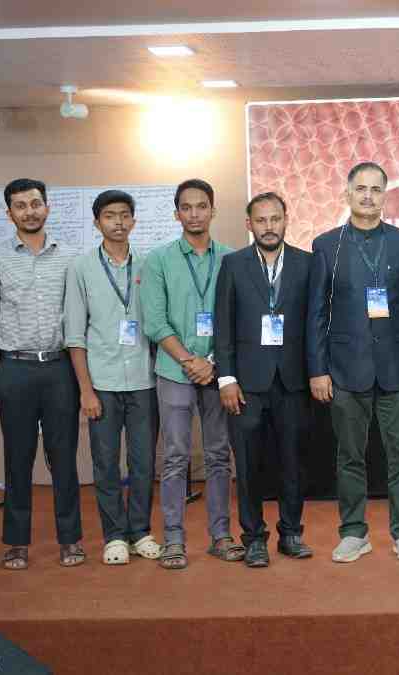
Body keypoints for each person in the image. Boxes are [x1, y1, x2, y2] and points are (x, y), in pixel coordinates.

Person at [307, 161, 399, 564]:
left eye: (376, 189)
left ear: (385, 196)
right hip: (345, 368)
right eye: (360, 188)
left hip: (397, 368)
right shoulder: (327, 245)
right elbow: (316, 314)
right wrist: (318, 369)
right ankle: (353, 532)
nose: (367, 196)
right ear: (347, 193)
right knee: (349, 457)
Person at [0, 178, 84, 571]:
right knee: (17, 459)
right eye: (20, 206)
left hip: (59, 370)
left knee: (64, 459)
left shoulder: (70, 257)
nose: (30, 211)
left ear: (47, 207)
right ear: (9, 214)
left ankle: (70, 539)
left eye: (36, 203)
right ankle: (17, 543)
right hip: (14, 369)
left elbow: (79, 318)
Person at [140, 178, 237, 570]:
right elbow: (154, 321)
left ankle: (221, 536)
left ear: (213, 210)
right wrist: (189, 361)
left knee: (218, 456)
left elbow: (236, 318)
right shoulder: (159, 260)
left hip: (218, 372)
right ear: (176, 213)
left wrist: (210, 361)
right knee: (176, 457)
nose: (194, 214)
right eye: (186, 207)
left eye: (202, 206)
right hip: (174, 372)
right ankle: (174, 540)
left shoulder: (231, 259)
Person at [215, 192, 314, 568]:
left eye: (275, 219)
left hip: (293, 381)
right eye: (261, 220)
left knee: (293, 462)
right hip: (246, 384)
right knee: (248, 464)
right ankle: (254, 538)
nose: (269, 226)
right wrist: (226, 378)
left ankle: (291, 534)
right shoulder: (233, 264)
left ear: (286, 220)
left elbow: (315, 323)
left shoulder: (307, 263)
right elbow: (223, 324)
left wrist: (316, 372)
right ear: (249, 224)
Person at [64, 190, 162, 566]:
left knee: (143, 462)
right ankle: (114, 536)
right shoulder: (81, 268)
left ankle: (140, 531)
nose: (118, 222)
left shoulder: (149, 264)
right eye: (109, 216)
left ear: (133, 221)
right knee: (106, 464)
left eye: (124, 215)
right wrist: (85, 391)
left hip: (144, 381)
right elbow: (75, 335)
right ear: (97, 222)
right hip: (102, 383)